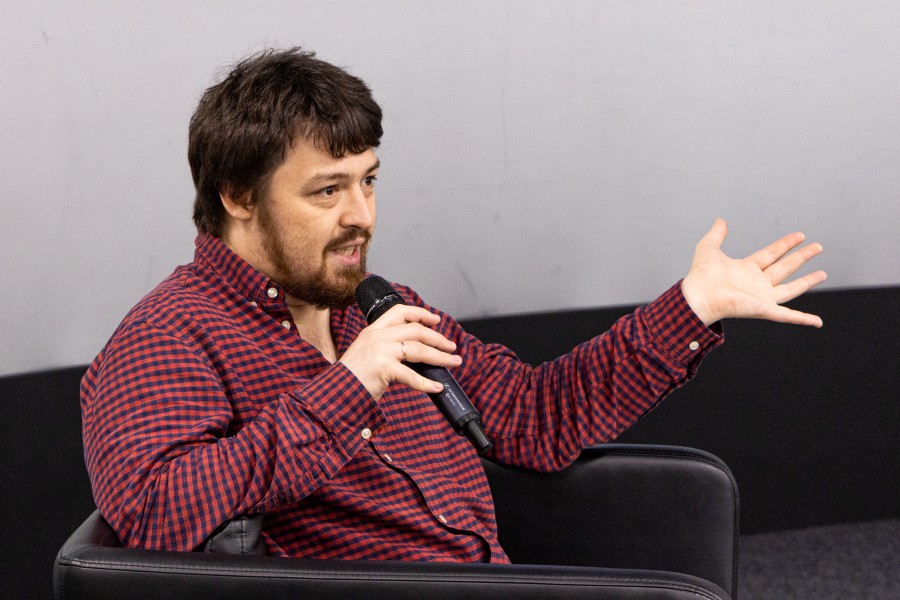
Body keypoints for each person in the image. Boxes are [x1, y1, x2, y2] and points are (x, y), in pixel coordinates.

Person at [81, 47, 827, 562]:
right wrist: (351, 385)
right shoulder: (165, 337)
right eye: (327, 191)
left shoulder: (377, 309)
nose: (362, 216)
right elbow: (153, 513)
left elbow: (537, 417)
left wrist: (693, 306)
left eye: (369, 181)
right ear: (239, 197)